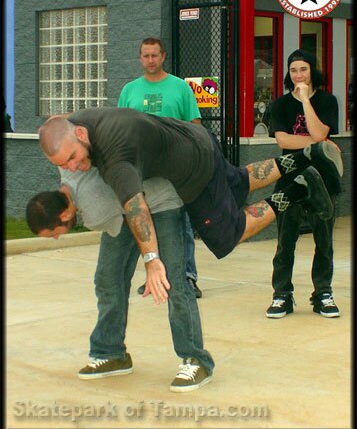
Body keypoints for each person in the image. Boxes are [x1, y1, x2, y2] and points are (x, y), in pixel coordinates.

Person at [37, 107, 343, 309]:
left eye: (73, 158)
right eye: (64, 166)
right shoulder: (79, 121)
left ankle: (301, 187)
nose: (74, 168)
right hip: (195, 138)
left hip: (193, 170)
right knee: (240, 180)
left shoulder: (115, 155)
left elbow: (136, 208)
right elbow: (54, 123)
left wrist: (152, 260)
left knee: (231, 232)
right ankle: (308, 154)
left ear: (80, 135)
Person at [26, 168, 214, 392]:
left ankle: (197, 360)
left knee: (172, 281)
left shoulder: (95, 211)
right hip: (125, 210)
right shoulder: (69, 171)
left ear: (64, 215)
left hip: (161, 202)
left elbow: (136, 222)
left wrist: (152, 263)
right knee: (108, 278)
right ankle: (111, 353)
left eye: (53, 233)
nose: (57, 237)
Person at [118, 37, 202, 298]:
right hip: (141, 170)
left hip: (176, 169)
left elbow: (195, 126)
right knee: (146, 223)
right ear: (140, 58)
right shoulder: (129, 90)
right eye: (146, 56)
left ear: (163, 56)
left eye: (155, 55)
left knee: (181, 223)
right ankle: (153, 277)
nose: (150, 60)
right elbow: (120, 129)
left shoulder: (180, 88)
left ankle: (187, 276)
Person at [266, 49, 342, 319]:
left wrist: (306, 101)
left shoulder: (327, 101)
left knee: (324, 241)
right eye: (294, 70)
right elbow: (284, 141)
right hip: (289, 180)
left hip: (323, 182)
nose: (298, 74)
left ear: (313, 71)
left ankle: (323, 293)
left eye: (303, 69)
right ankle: (281, 295)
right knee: (285, 241)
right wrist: (318, 145)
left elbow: (322, 132)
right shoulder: (279, 105)